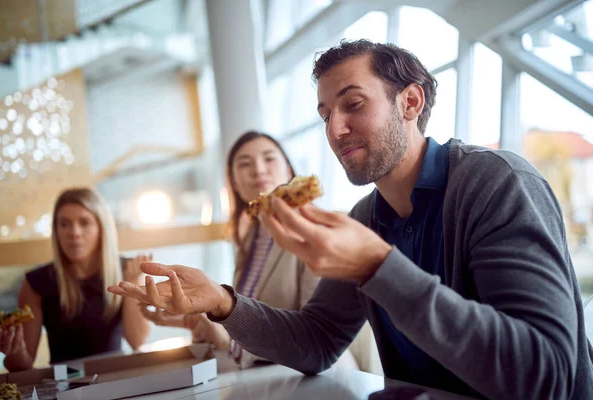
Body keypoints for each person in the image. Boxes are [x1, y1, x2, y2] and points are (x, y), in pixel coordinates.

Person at [108, 39, 593, 399]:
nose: (336, 129)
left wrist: (377, 266)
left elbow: (542, 377)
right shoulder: (366, 216)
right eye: (324, 114)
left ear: (410, 102)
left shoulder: (496, 182)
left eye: (353, 104)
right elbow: (317, 342)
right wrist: (222, 302)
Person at [139, 131, 360, 369]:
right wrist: (199, 321)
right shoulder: (249, 239)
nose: (258, 170)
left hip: (321, 377)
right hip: (271, 377)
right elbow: (254, 322)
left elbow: (315, 335)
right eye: (245, 164)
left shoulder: (314, 230)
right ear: (233, 182)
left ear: (288, 170)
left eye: (269, 159)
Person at [0, 188, 151, 371]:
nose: (74, 232)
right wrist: (15, 350)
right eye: (65, 224)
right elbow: (22, 365)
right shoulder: (36, 283)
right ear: (56, 230)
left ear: (101, 228)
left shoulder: (127, 271)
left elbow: (137, 341)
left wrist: (132, 286)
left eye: (84, 223)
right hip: (62, 386)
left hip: (116, 376)